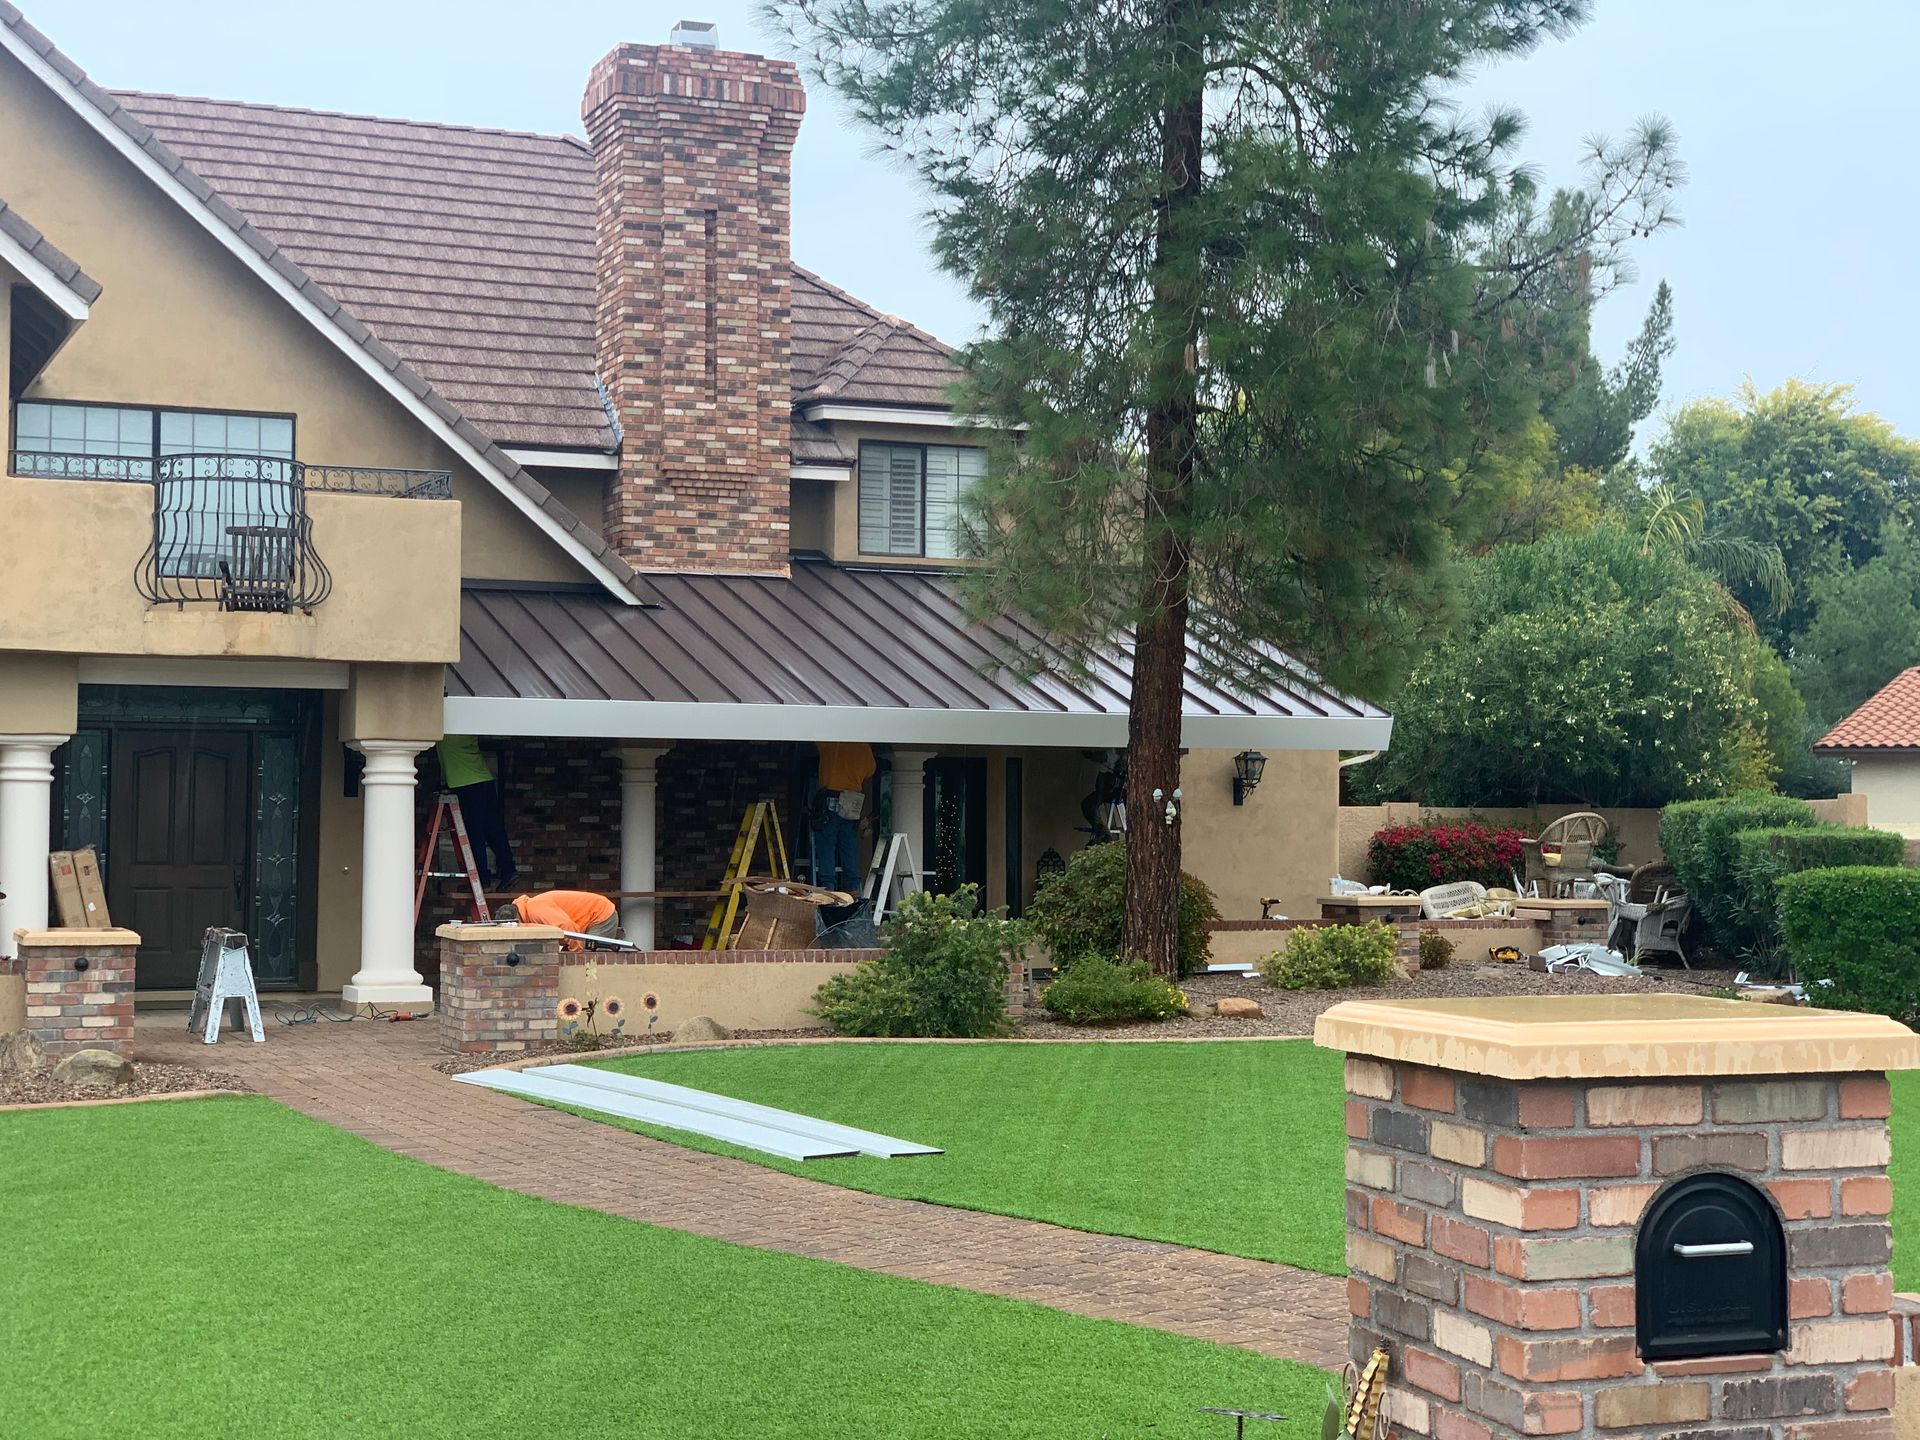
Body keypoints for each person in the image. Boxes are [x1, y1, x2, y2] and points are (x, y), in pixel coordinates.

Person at [437, 734, 516, 890]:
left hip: (466, 783)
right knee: (493, 830)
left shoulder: (446, 729)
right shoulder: (466, 727)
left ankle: (481, 880)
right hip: (484, 779)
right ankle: (508, 870)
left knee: (475, 834)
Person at [812, 741, 875, 892]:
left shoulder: (833, 740)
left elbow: (815, 737)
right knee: (849, 846)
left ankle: (827, 890)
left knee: (827, 845)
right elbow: (870, 770)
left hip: (830, 797)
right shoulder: (863, 745)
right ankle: (853, 890)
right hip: (852, 799)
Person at [496, 891, 620, 950]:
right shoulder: (527, 911)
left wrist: (578, 956)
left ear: (516, 920)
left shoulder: (536, 911)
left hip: (600, 914)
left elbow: (569, 929)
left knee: (591, 964)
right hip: (584, 920)